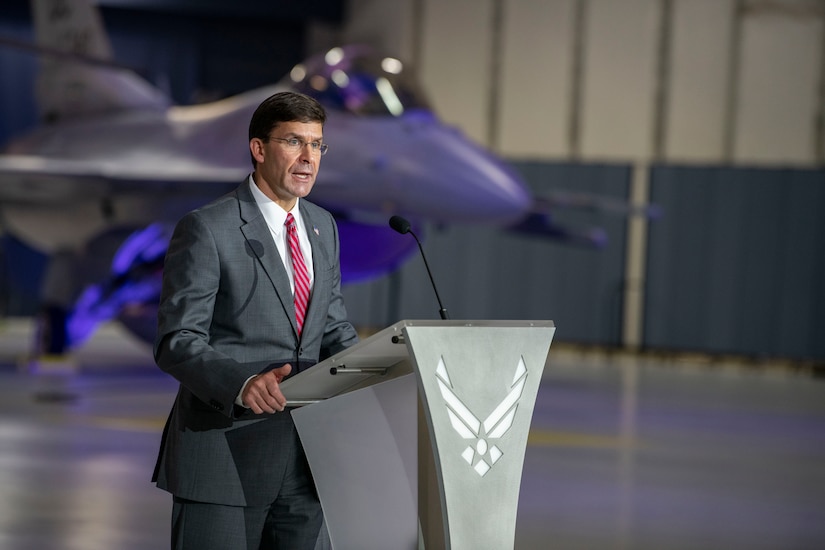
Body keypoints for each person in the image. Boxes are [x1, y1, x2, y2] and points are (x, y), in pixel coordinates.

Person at [152, 91, 359, 549]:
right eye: (294, 142)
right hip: (223, 459)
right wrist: (242, 383)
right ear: (259, 149)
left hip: (308, 462)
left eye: (317, 145)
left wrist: (382, 369)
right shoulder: (208, 227)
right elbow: (177, 339)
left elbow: (332, 329)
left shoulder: (323, 227)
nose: (309, 158)